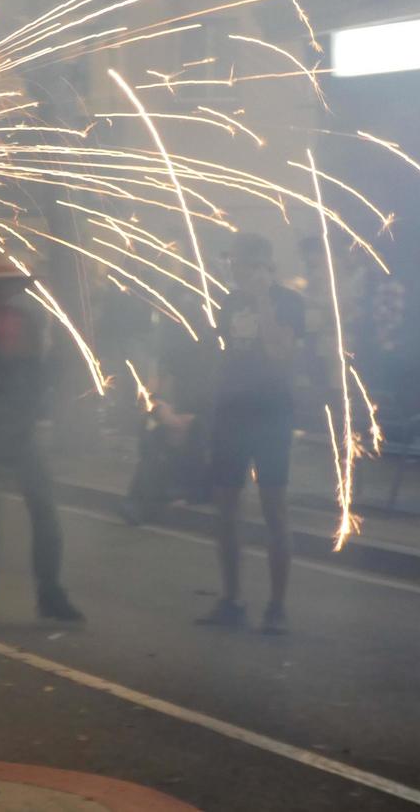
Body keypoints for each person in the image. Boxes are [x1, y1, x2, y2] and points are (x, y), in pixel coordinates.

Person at [0, 258, 83, 626]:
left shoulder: (32, 324)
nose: (8, 292)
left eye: (12, 285)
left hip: (20, 430)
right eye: (1, 286)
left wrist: (40, 411)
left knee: (44, 512)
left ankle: (50, 594)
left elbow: (37, 375)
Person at [198, 232, 304, 634]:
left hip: (271, 412)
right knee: (226, 505)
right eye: (234, 263)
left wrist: (263, 302)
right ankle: (232, 599)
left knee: (274, 505)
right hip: (232, 413)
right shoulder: (230, 301)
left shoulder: (289, 302)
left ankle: (277, 606)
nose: (235, 269)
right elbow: (226, 353)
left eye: (241, 263)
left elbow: (280, 354)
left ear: (261, 264)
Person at [121, 289, 216, 523]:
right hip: (178, 412)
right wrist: (161, 409)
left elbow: (218, 400)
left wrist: (191, 419)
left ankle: (191, 494)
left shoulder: (217, 352)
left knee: (198, 431)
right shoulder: (176, 349)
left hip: (205, 417)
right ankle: (142, 499)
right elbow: (153, 390)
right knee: (150, 426)